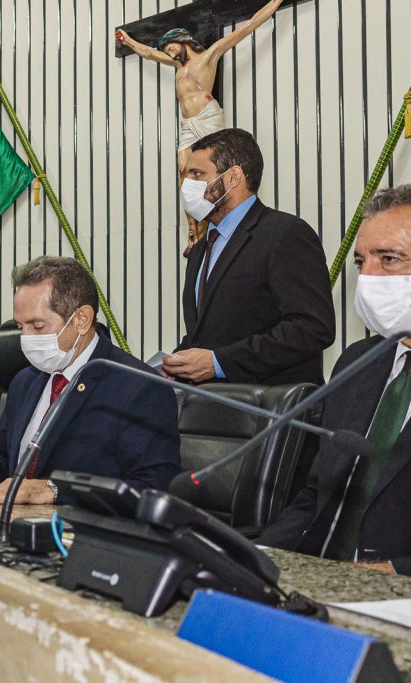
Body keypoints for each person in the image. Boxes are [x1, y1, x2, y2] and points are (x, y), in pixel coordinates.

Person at [0, 256, 180, 504]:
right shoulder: (26, 381)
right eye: (20, 327)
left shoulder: (138, 385)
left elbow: (153, 488)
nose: (26, 339)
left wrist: (53, 490)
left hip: (86, 544)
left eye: (37, 326)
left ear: (82, 319)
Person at [259, 185, 411, 576]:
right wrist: (256, 556)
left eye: (389, 259)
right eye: (362, 262)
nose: (369, 278)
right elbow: (318, 495)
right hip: (320, 577)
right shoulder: (357, 362)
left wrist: (394, 571)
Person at [163, 128, 335, 386]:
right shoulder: (201, 249)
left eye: (197, 174)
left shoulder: (285, 234)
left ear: (233, 177)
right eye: (185, 175)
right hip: (214, 413)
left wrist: (220, 363)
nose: (187, 184)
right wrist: (177, 362)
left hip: (272, 411)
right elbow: (212, 333)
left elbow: (312, 328)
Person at [116, 0, 284, 255]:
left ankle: (209, 228)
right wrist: (129, 41)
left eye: (171, 48)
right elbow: (149, 53)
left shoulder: (209, 56)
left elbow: (249, 26)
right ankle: (193, 232)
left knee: (209, 171)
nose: (169, 53)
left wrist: (274, 3)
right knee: (184, 173)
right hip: (187, 124)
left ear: (183, 41)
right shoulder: (176, 66)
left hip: (206, 117)